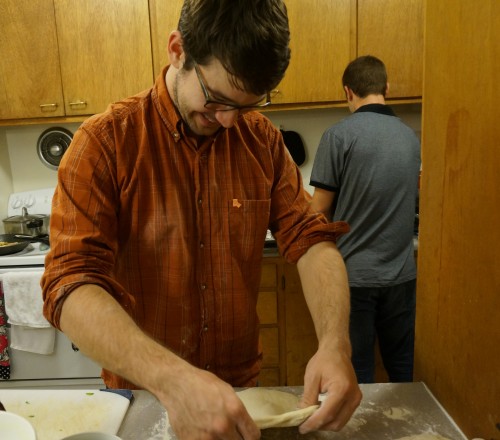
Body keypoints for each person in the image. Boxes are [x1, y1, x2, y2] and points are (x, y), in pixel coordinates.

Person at [41, 1, 361, 438]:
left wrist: (334, 343)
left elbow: (310, 239)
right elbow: (70, 283)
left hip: (243, 395)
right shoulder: (104, 143)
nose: (229, 122)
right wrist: (174, 379)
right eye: (217, 100)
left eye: (246, 107)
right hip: (145, 398)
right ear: (177, 50)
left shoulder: (262, 142)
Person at [309, 55, 421, 384]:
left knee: (356, 372)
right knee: (403, 368)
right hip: (402, 277)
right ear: (387, 88)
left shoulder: (338, 136)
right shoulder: (410, 138)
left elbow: (318, 212)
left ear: (348, 91)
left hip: (353, 278)